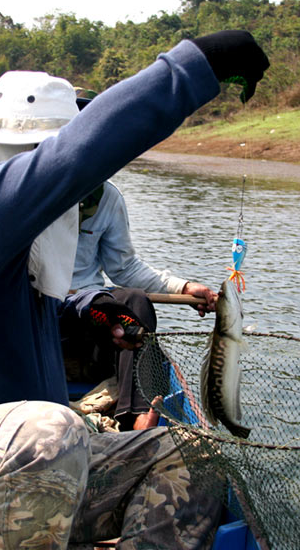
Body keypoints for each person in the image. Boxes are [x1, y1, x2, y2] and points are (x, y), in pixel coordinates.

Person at [0, 30, 269, 550]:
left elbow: (43, 312)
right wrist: (200, 64)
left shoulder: (17, 249)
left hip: (25, 469)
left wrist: (97, 317)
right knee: (49, 433)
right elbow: (85, 150)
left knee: (191, 452)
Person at [66, 172, 219, 430]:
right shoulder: (24, 191)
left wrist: (183, 287)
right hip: (37, 306)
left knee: (135, 302)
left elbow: (124, 268)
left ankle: (134, 417)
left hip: (92, 309)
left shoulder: (107, 196)